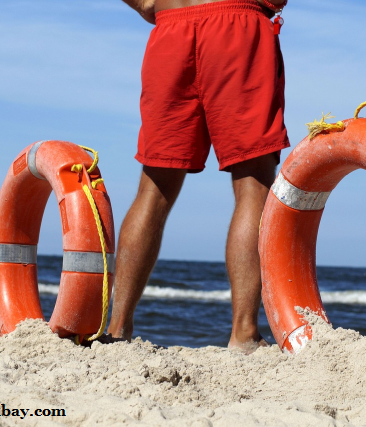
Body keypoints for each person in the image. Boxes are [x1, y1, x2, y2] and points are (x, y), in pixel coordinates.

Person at [108, 0, 289, 353]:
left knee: (153, 188)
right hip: (237, 24)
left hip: (171, 26)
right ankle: (244, 333)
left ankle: (117, 329)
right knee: (254, 184)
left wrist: (148, 4)